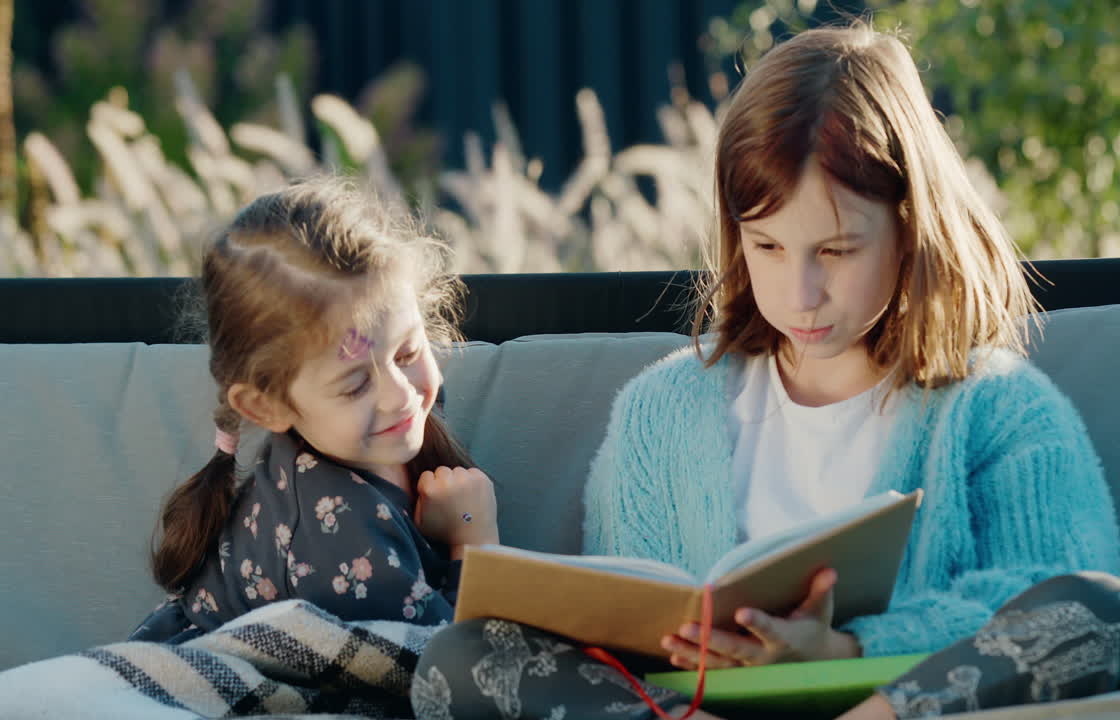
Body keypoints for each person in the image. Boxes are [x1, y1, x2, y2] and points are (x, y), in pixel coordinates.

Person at [412, 22, 1120, 720]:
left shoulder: (999, 405)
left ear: (909, 227)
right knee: (462, 661)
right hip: (698, 707)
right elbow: (625, 620)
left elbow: (1049, 597)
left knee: (1097, 607)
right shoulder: (661, 409)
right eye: (767, 245)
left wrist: (843, 650)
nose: (800, 293)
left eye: (837, 251)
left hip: (895, 704)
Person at [129, 178, 498, 643]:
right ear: (267, 406)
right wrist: (473, 537)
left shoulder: (393, 422)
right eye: (356, 384)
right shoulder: (340, 533)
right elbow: (449, 665)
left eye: (407, 353)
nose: (400, 393)